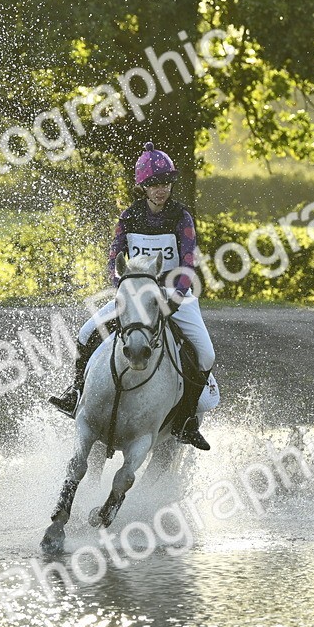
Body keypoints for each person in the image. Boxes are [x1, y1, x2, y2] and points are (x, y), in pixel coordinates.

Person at [49, 142, 214, 451]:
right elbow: (113, 260)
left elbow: (188, 260)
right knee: (87, 334)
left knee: (206, 354)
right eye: (154, 183)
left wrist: (177, 293)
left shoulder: (182, 217)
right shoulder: (128, 218)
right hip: (134, 293)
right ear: (144, 187)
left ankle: (186, 421)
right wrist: (122, 285)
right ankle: (76, 394)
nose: (160, 189)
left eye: (165, 182)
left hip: (174, 293)